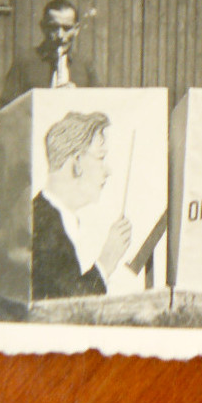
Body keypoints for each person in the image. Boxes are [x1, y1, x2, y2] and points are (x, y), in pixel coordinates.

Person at [31, 111, 131, 300]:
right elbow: (66, 306)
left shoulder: (49, 217)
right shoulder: (42, 227)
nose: (108, 170)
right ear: (76, 162)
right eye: (100, 158)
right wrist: (106, 261)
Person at [0, 0, 100, 109]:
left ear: (76, 30)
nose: (60, 35)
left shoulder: (85, 65)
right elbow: (7, 108)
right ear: (43, 27)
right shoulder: (25, 62)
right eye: (53, 27)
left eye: (67, 28)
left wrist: (77, 98)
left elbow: (99, 106)